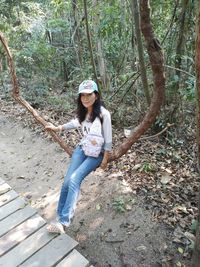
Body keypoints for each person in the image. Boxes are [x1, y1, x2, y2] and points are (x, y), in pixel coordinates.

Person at [46, 80, 112, 233]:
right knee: (66, 182)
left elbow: (108, 139)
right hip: (83, 148)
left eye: (89, 94)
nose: (85, 98)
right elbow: (75, 123)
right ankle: (59, 217)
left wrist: (105, 159)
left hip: (97, 153)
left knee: (75, 179)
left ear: (96, 95)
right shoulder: (84, 112)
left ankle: (63, 222)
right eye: (82, 95)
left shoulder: (104, 114)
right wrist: (58, 128)